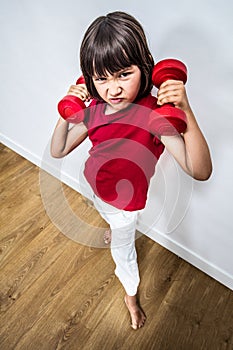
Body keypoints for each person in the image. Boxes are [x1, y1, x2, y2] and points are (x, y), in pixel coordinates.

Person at [50, 11, 212, 330]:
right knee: (104, 210)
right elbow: (58, 149)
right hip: (94, 184)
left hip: (125, 206)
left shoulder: (155, 116)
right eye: (102, 79)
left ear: (145, 66)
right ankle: (111, 225)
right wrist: (68, 107)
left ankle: (131, 297)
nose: (113, 89)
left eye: (123, 74)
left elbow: (200, 170)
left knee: (124, 255)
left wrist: (186, 109)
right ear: (90, 80)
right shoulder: (94, 109)